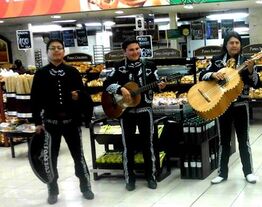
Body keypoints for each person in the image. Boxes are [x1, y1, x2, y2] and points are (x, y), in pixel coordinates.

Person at [31, 39, 94, 204]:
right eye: (53, 48)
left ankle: (85, 187)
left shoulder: (72, 71)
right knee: (50, 158)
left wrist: (78, 96)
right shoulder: (41, 74)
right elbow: (35, 100)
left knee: (78, 156)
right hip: (50, 124)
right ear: (47, 52)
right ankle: (52, 190)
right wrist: (37, 122)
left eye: (59, 48)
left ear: (63, 51)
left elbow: (84, 95)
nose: (56, 51)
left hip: (71, 122)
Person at [103, 39, 166, 191]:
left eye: (137, 49)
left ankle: (151, 176)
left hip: (145, 111)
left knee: (148, 144)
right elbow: (106, 85)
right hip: (125, 112)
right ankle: (129, 178)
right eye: (131, 50)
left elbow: (156, 85)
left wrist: (161, 86)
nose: (135, 52)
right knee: (127, 146)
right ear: (124, 52)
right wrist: (120, 89)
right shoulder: (118, 67)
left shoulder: (149, 66)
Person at [199, 31, 259, 184]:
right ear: (225, 45)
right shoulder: (217, 60)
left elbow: (256, 83)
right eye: (231, 43)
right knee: (223, 140)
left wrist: (251, 70)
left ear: (240, 45)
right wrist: (213, 75)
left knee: (243, 139)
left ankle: (248, 172)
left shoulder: (247, 61)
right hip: (222, 104)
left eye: (237, 43)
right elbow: (202, 75)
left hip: (241, 105)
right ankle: (222, 173)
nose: (234, 45)